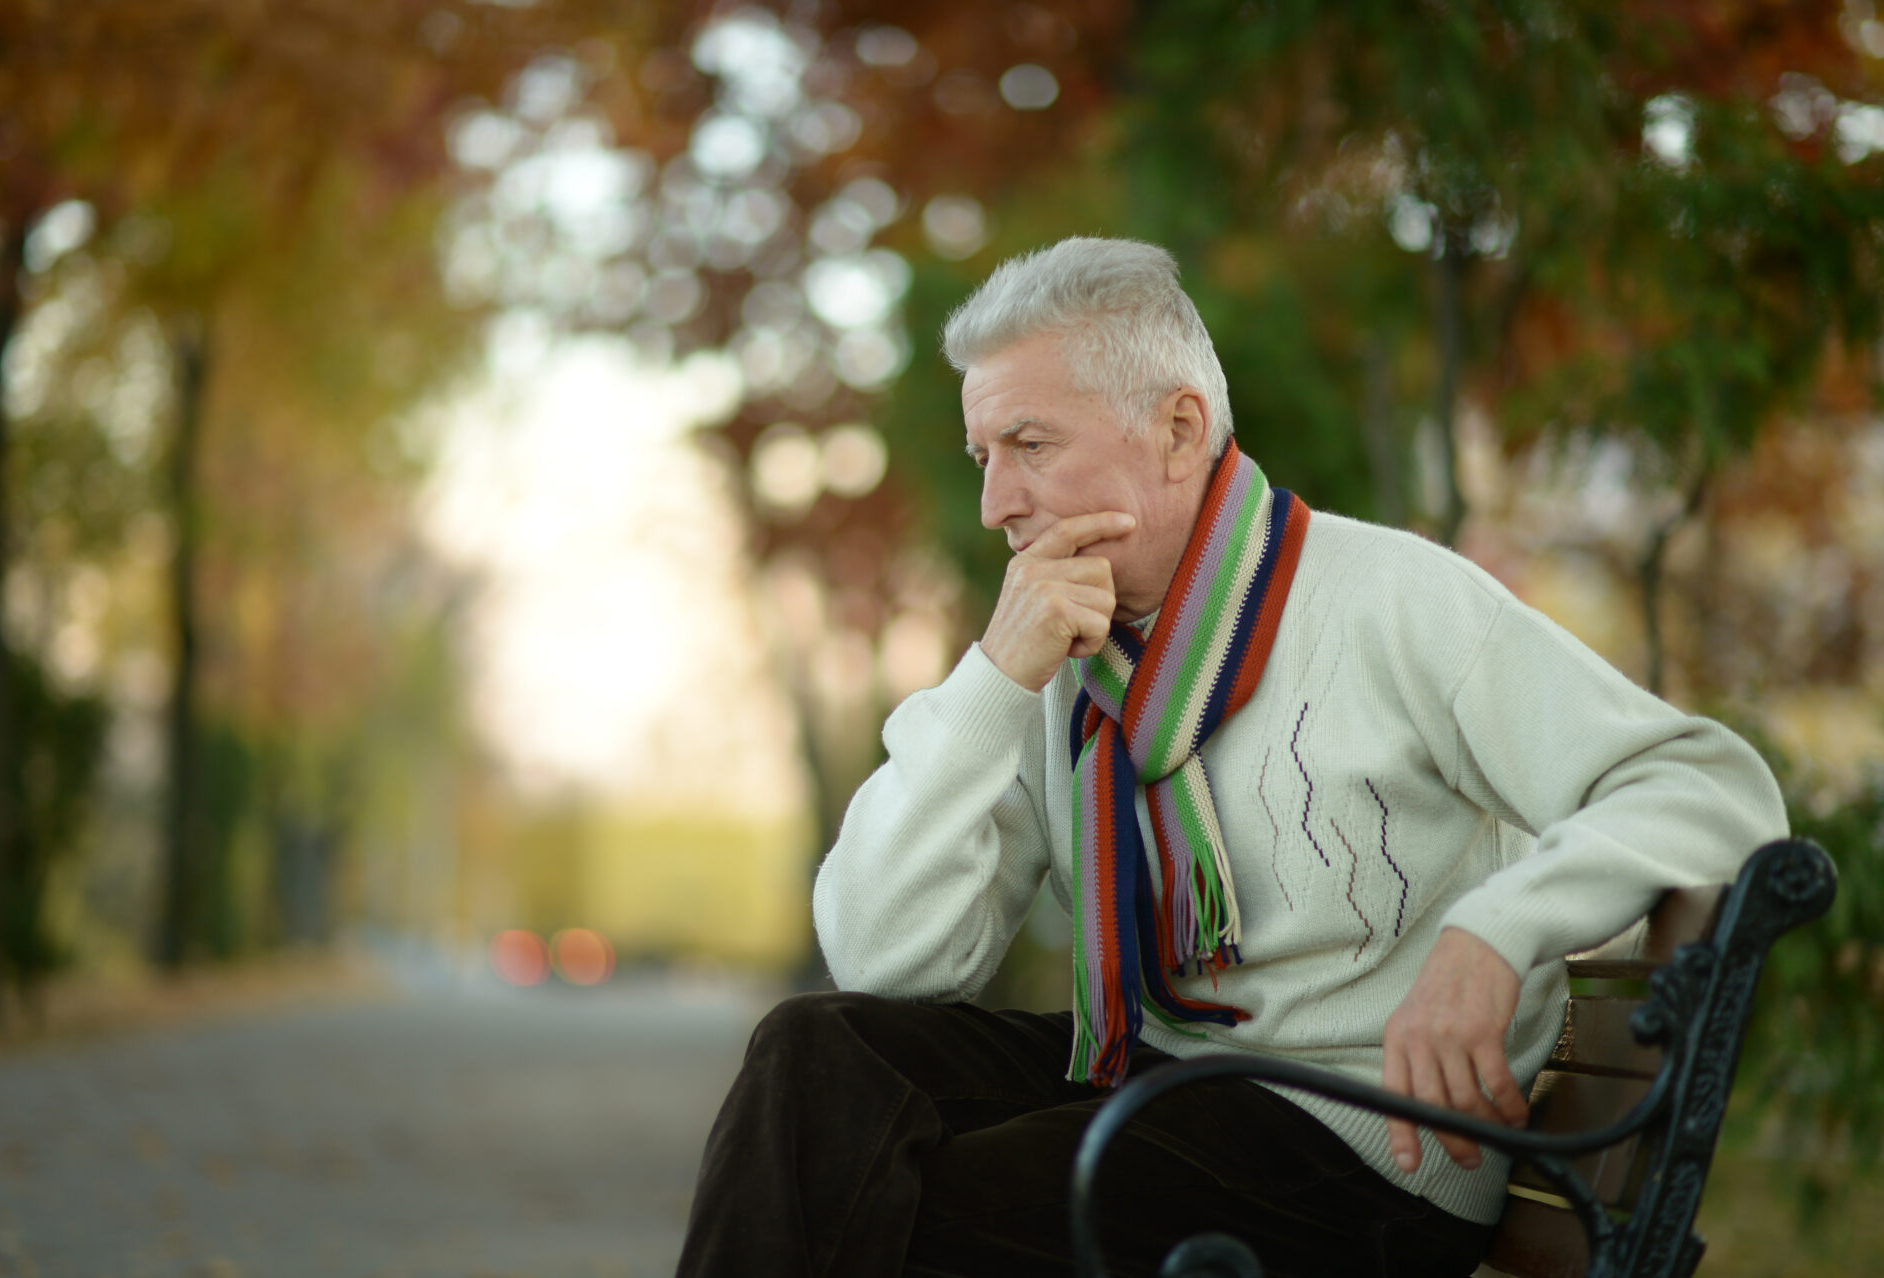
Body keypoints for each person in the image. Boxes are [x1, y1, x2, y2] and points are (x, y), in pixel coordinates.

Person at [674, 238, 1787, 1278]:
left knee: (909, 1208)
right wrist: (988, 688)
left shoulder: (1391, 600)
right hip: (1161, 1087)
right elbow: (888, 964)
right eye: (984, 456)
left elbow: (1708, 784)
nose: (995, 503)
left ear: (1176, 427)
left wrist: (1497, 933)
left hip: (1365, 1146)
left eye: (1031, 446)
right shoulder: (1060, 657)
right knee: (817, 1054)